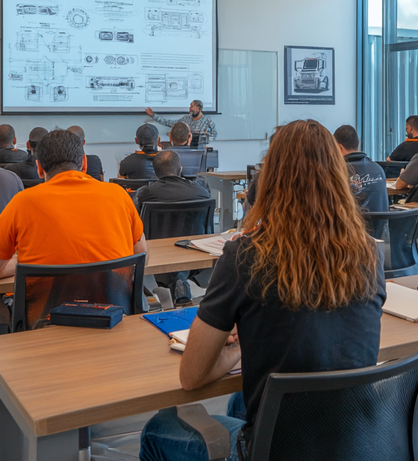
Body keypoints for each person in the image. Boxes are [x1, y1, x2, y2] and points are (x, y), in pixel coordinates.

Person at [138, 120, 385, 461]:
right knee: (241, 401)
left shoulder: (246, 255)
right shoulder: (369, 253)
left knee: (159, 428)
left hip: (278, 450)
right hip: (358, 442)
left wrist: (240, 344)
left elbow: (192, 376)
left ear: (269, 178)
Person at [0, 129, 147, 282]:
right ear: (84, 163)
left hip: (46, 322)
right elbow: (141, 258)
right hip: (113, 317)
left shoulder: (23, 202)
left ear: (39, 169)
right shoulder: (120, 196)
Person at [135, 150, 212, 305]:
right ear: (180, 169)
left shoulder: (145, 193)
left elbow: (135, 226)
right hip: (195, 253)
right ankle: (180, 283)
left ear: (155, 173)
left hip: (156, 257)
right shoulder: (201, 191)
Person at [334, 124, 388, 213]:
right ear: (358, 142)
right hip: (381, 226)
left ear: (339, 147)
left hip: (353, 226)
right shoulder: (378, 169)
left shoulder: (338, 171)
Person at [146, 99, 217, 143]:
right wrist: (154, 116)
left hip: (201, 149)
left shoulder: (208, 121)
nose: (190, 108)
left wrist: (204, 138)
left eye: (192, 106)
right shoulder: (186, 119)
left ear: (198, 108)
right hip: (187, 148)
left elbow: (214, 134)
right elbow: (169, 123)